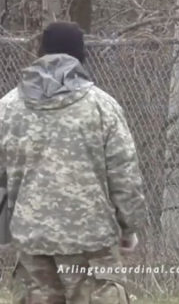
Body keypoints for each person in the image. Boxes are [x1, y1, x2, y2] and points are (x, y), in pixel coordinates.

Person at [0, 21, 146, 303]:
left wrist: (5, 232)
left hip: (33, 241)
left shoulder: (7, 108)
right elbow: (125, 175)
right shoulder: (102, 107)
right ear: (81, 57)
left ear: (40, 54)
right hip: (92, 243)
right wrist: (129, 228)